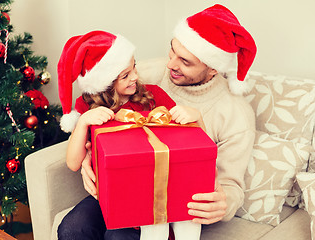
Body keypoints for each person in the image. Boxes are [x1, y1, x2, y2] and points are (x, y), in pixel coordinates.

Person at [79, 3, 257, 238]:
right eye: (171, 51)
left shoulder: (236, 114)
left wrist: (223, 204)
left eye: (185, 61)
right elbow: (103, 108)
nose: (170, 64)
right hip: (124, 185)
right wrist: (90, 157)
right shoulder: (146, 74)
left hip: (169, 205)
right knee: (74, 228)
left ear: (213, 68)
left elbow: (231, 185)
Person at [57, 30, 204, 240]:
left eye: (134, 66)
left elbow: (186, 142)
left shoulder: (153, 96)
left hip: (149, 193)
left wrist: (193, 117)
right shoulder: (86, 106)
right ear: (104, 83)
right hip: (107, 194)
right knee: (71, 228)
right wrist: (83, 122)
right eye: (125, 75)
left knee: (118, 236)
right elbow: (72, 163)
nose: (135, 76)